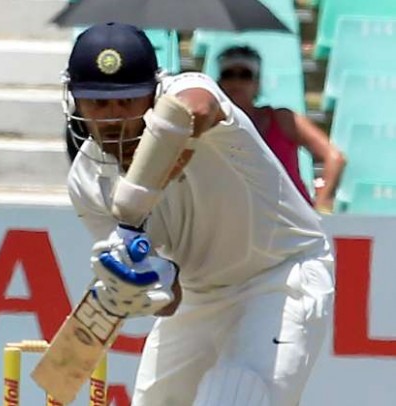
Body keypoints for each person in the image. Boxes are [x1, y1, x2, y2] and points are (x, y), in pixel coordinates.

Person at [64, 22, 334, 406]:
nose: (114, 118)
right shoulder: (88, 182)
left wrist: (145, 180)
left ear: (153, 94)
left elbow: (198, 107)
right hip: (197, 297)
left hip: (281, 276)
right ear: (74, 101)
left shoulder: (189, 92)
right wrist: (143, 283)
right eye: (98, 102)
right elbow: (170, 299)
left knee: (235, 394)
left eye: (127, 101)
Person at [216, 45, 346, 214]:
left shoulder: (283, 119)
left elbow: (335, 158)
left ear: (257, 83)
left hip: (292, 218)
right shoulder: (212, 127)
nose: (236, 82)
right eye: (229, 75)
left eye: (245, 75)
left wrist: (322, 202)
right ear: (219, 83)